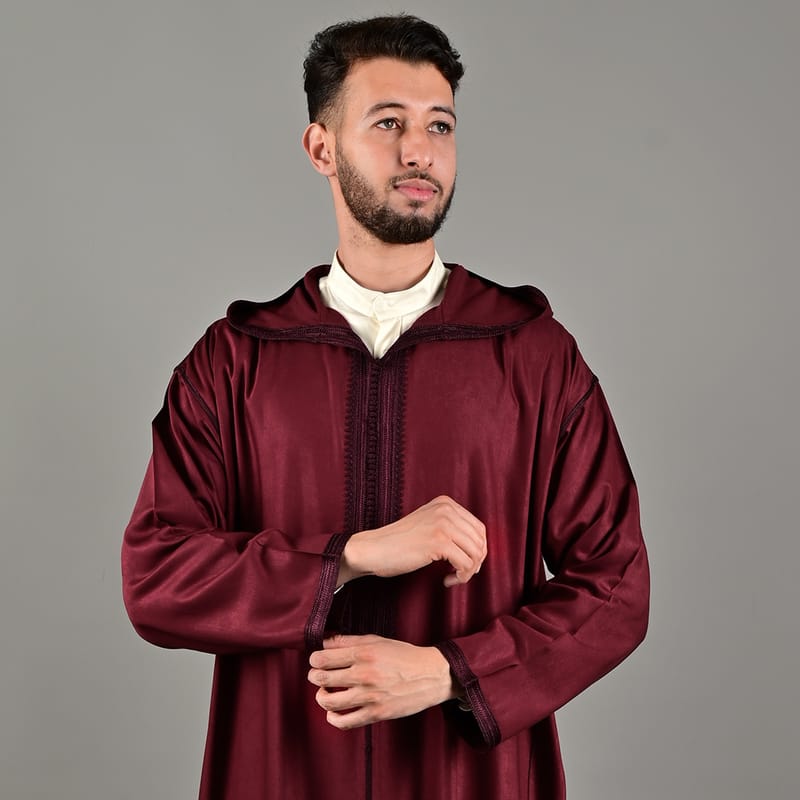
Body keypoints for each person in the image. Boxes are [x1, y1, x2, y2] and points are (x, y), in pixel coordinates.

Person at [122, 14, 649, 800]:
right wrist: (352, 557)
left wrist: (449, 672)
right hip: (282, 773)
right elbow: (158, 574)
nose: (420, 151)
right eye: (389, 123)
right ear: (321, 148)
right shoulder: (236, 362)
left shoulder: (531, 354)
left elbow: (617, 584)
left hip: (470, 777)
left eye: (440, 125)